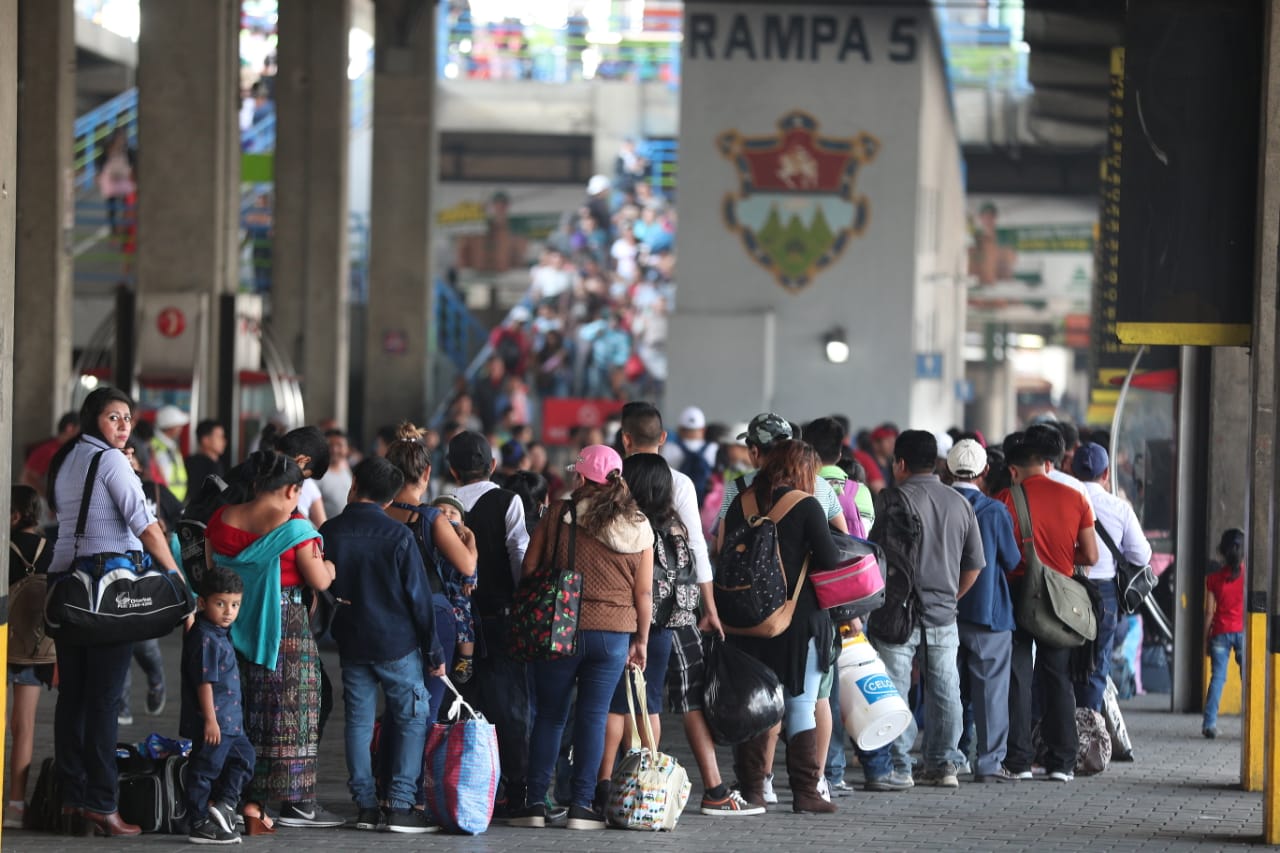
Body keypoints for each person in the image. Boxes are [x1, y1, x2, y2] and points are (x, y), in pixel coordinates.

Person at [46, 386, 185, 837]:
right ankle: (103, 804)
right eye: (113, 417)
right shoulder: (109, 460)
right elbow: (144, 524)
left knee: (74, 698)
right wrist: (176, 577)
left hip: (66, 586)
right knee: (104, 700)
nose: (124, 425)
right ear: (93, 420)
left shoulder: (68, 457)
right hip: (107, 591)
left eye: (127, 417)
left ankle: (72, 797)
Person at [614, 404, 754, 815]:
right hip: (676, 611)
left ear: (624, 439)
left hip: (621, 609)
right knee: (687, 698)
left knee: (625, 699)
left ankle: (622, 786)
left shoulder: (612, 479)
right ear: (662, 438)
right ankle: (713, 789)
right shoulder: (679, 482)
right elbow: (696, 550)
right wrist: (708, 609)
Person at [508, 444, 653, 830]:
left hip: (561, 626)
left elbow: (530, 567)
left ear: (581, 477)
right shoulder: (639, 523)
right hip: (614, 634)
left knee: (550, 716)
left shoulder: (560, 512)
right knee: (593, 716)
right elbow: (644, 592)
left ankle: (535, 803)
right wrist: (642, 640)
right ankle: (583, 807)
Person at [205, 451, 342, 830]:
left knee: (241, 710)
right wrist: (329, 566)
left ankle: (234, 795)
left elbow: (212, 569)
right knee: (285, 713)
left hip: (229, 624)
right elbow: (319, 580)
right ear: (293, 490)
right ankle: (260, 805)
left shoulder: (221, 519)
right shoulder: (296, 527)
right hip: (284, 628)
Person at [321, 457, 447, 834]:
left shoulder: (330, 530)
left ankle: (365, 807)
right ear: (391, 499)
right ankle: (401, 804)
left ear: (354, 482)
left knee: (358, 723)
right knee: (410, 719)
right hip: (397, 643)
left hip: (352, 643)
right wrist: (434, 651)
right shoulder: (399, 537)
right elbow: (419, 599)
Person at [721, 440, 840, 814]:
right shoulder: (806, 505)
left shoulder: (743, 502)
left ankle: (754, 789)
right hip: (798, 618)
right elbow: (829, 559)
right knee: (800, 703)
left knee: (756, 702)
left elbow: (723, 548)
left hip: (748, 619)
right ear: (803, 470)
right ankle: (806, 792)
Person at [866, 430, 985, 790]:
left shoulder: (890, 501)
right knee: (946, 688)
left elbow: (873, 557)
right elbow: (974, 564)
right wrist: (952, 597)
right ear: (935, 462)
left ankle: (900, 767)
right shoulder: (959, 503)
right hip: (942, 613)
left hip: (896, 613)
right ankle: (943, 764)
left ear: (900, 463)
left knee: (894, 689)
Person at [998, 429, 1098, 783]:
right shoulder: (1075, 497)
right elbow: (1091, 554)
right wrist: (1059, 561)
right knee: (1058, 679)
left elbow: (1002, 554)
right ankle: (1062, 762)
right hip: (1060, 598)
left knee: (1018, 677)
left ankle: (1019, 761)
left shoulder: (1006, 500)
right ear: (1047, 464)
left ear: (1014, 470)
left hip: (1016, 594)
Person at [444, 430, 531, 817]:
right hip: (500, 617)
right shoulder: (507, 501)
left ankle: (462, 783)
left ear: (451, 469)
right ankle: (516, 788)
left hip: (451, 621)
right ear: (493, 466)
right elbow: (519, 555)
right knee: (508, 705)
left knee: (459, 701)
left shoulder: (439, 507)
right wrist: (520, 599)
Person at [947, 439, 1021, 783]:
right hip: (988, 613)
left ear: (948, 468)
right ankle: (989, 763)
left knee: (946, 687)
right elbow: (1012, 559)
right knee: (990, 692)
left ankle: (947, 757)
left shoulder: (939, 503)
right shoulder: (994, 511)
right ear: (985, 471)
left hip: (942, 610)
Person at [1071, 442, 1152, 712]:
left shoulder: (1064, 502)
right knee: (1097, 665)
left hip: (1065, 590)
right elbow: (1141, 555)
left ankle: (1061, 737)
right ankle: (1089, 732)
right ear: (1106, 474)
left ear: (1072, 471)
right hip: (1104, 595)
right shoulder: (1120, 508)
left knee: (1062, 663)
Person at [182, 567, 254, 845]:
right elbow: (204, 682)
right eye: (220, 603)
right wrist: (210, 720)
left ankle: (224, 805)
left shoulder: (219, 632)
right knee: (204, 770)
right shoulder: (205, 638)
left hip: (231, 722)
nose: (228, 611)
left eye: (235, 604)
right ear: (203, 603)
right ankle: (199, 822)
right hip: (216, 722)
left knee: (245, 759)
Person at [5, 485, 54, 829]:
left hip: (3, 642)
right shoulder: (50, 550)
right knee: (24, 728)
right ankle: (16, 805)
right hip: (35, 649)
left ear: (15, 514)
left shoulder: (2, 549)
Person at [429, 494, 479, 683]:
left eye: (453, 512)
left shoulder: (464, 537)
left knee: (464, 618)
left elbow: (472, 561)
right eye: (441, 511)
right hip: (436, 588)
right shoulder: (429, 532)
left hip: (457, 588)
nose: (447, 515)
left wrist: (470, 579)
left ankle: (466, 659)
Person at [1203, 528, 1246, 739]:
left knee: (1218, 678)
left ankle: (1209, 724)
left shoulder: (1214, 579)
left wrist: (1205, 641)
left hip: (1220, 631)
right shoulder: (1248, 576)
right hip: (1243, 633)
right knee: (1248, 678)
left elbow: (1209, 613)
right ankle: (1250, 725)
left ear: (1222, 550)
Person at [21, 411, 78, 497]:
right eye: (80, 430)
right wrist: (48, 499)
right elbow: (27, 478)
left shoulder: (63, 450)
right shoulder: (49, 451)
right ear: (70, 429)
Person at [150, 405, 191, 503]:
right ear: (170, 426)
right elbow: (161, 477)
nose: (181, 428)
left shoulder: (169, 445)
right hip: (165, 502)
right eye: (178, 425)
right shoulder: (158, 447)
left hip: (173, 501)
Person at [318, 429, 354, 520]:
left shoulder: (347, 470)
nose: (334, 450)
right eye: (330, 445)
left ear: (347, 449)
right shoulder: (318, 475)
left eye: (339, 445)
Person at [185, 420, 228, 495]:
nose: (224, 441)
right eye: (219, 437)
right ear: (205, 440)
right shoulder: (194, 465)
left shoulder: (217, 463)